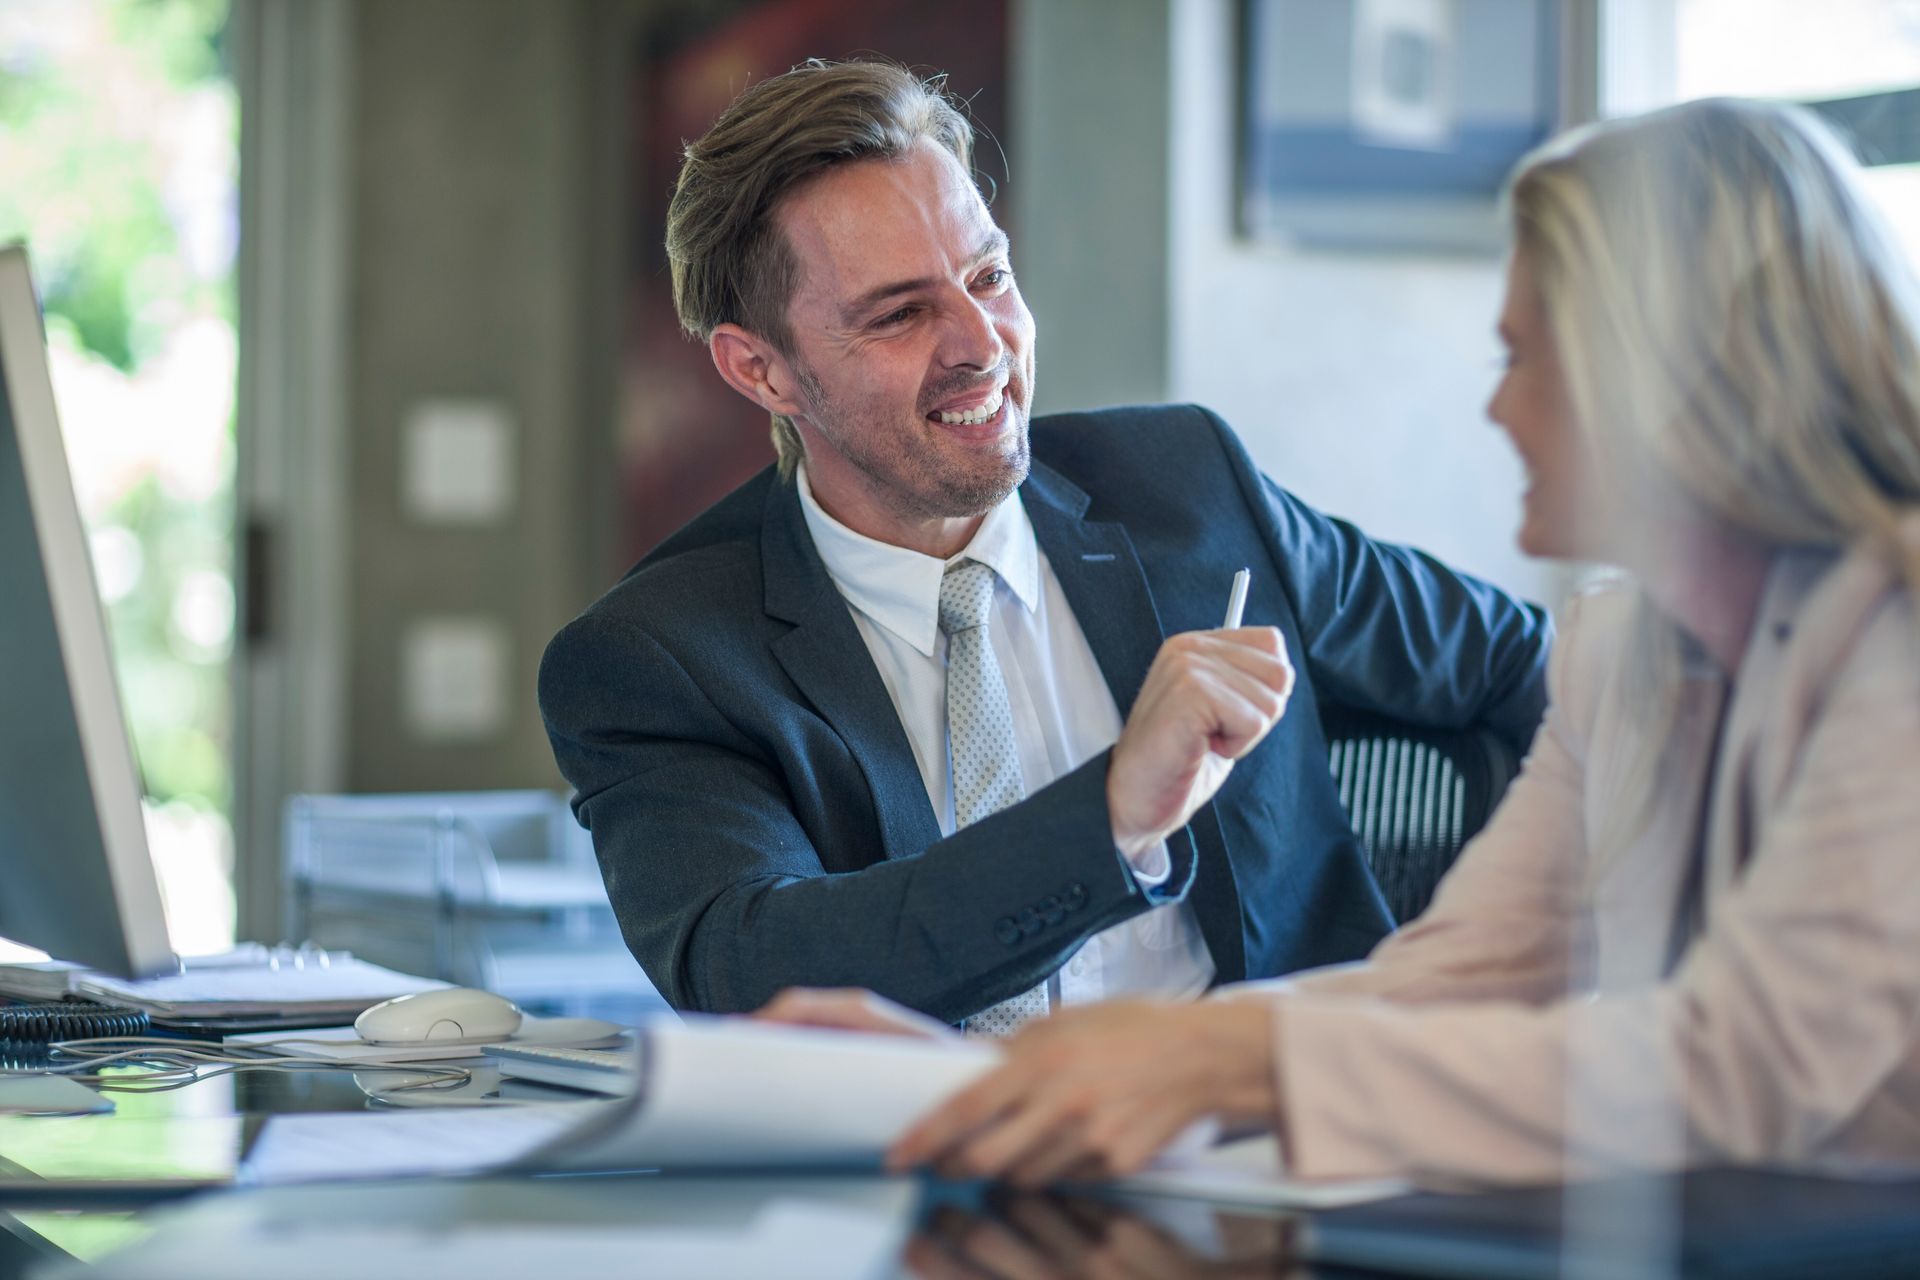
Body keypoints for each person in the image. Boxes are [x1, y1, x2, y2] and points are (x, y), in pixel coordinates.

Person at [771, 96, 1920, 1186]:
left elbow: (1752, 1061)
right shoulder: (1625, 651)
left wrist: (1223, 1065)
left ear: (1666, 376)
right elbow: (1453, 978)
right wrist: (1038, 1076)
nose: (1496, 410)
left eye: (1524, 358)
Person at [538, 59, 1551, 1027]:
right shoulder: (662, 657)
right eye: (899, 314)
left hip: (1273, 1139)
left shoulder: (1189, 488)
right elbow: (756, 973)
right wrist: (1110, 813)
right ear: (762, 370)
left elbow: (1531, 665)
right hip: (926, 1169)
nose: (983, 344)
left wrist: (1520, 947)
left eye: (988, 275)